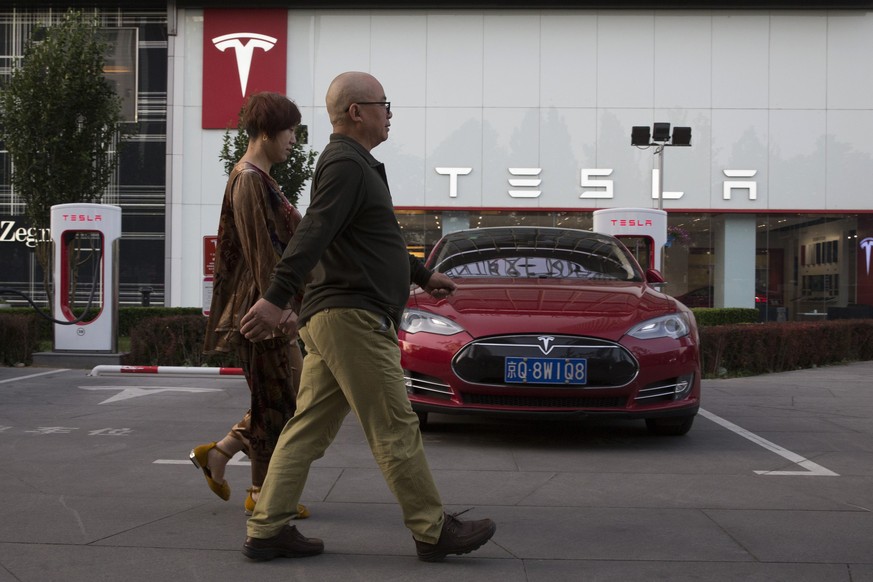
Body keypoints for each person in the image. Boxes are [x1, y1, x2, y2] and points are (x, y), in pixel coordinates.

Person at [237, 71, 496, 562]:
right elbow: (312, 233)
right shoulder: (345, 164)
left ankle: (267, 529)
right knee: (395, 425)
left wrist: (420, 274)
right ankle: (431, 529)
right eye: (384, 104)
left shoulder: (353, 164)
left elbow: (370, 239)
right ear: (357, 112)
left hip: (338, 317)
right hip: (352, 317)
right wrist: (275, 298)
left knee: (306, 427)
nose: (389, 113)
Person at [190, 91, 309, 520]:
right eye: (290, 130)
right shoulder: (248, 180)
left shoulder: (263, 178)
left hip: (267, 308)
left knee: (286, 398)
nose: (295, 139)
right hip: (259, 314)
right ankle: (261, 493)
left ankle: (220, 455)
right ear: (265, 131)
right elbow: (263, 251)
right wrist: (280, 308)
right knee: (275, 403)